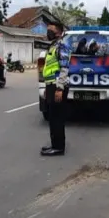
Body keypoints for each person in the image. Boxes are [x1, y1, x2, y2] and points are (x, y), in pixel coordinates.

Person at [41, 23, 71, 156]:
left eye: (51, 30)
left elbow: (64, 68)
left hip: (58, 86)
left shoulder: (62, 46)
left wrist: (59, 88)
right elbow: (50, 69)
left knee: (57, 118)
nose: (48, 32)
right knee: (52, 118)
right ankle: (54, 144)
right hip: (51, 85)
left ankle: (59, 147)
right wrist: (48, 87)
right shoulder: (53, 46)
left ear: (58, 32)